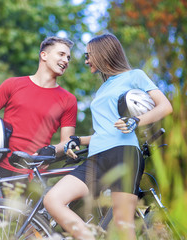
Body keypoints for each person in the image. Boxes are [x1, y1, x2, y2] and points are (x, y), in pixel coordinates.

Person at [43, 33, 173, 240]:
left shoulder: (134, 76)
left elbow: (165, 106)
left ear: (103, 54)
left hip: (124, 155)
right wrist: (79, 140)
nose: (86, 61)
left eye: (88, 56)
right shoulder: (103, 88)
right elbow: (104, 131)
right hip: (97, 157)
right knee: (53, 199)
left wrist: (137, 120)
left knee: (124, 228)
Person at [0, 36, 78, 193]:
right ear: (44, 55)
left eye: (68, 57)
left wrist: (52, 149)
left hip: (35, 173)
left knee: (33, 218)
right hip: (2, 171)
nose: (66, 60)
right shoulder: (13, 85)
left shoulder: (69, 100)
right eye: (61, 54)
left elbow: (67, 143)